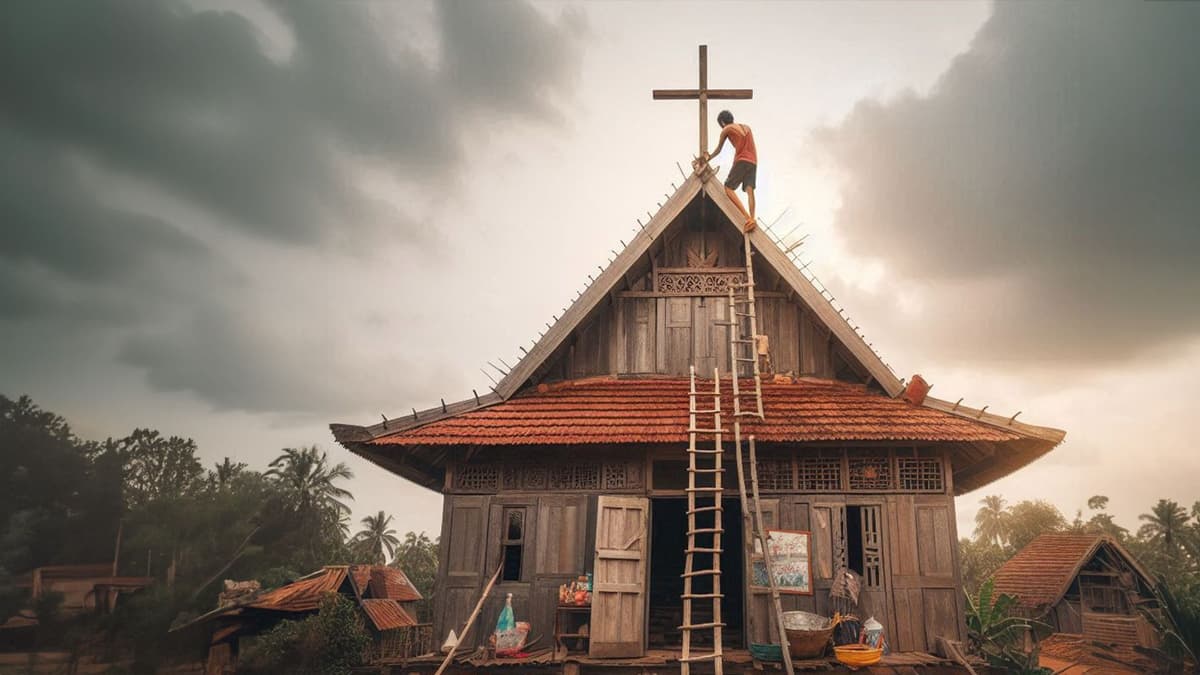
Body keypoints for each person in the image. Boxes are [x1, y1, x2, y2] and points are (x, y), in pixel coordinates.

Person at [704, 110, 758, 232]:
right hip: (753, 161)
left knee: (728, 188)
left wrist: (709, 157)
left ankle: (747, 217)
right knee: (750, 190)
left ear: (722, 122)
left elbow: (719, 149)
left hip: (741, 160)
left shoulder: (726, 129)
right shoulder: (747, 127)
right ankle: (752, 218)